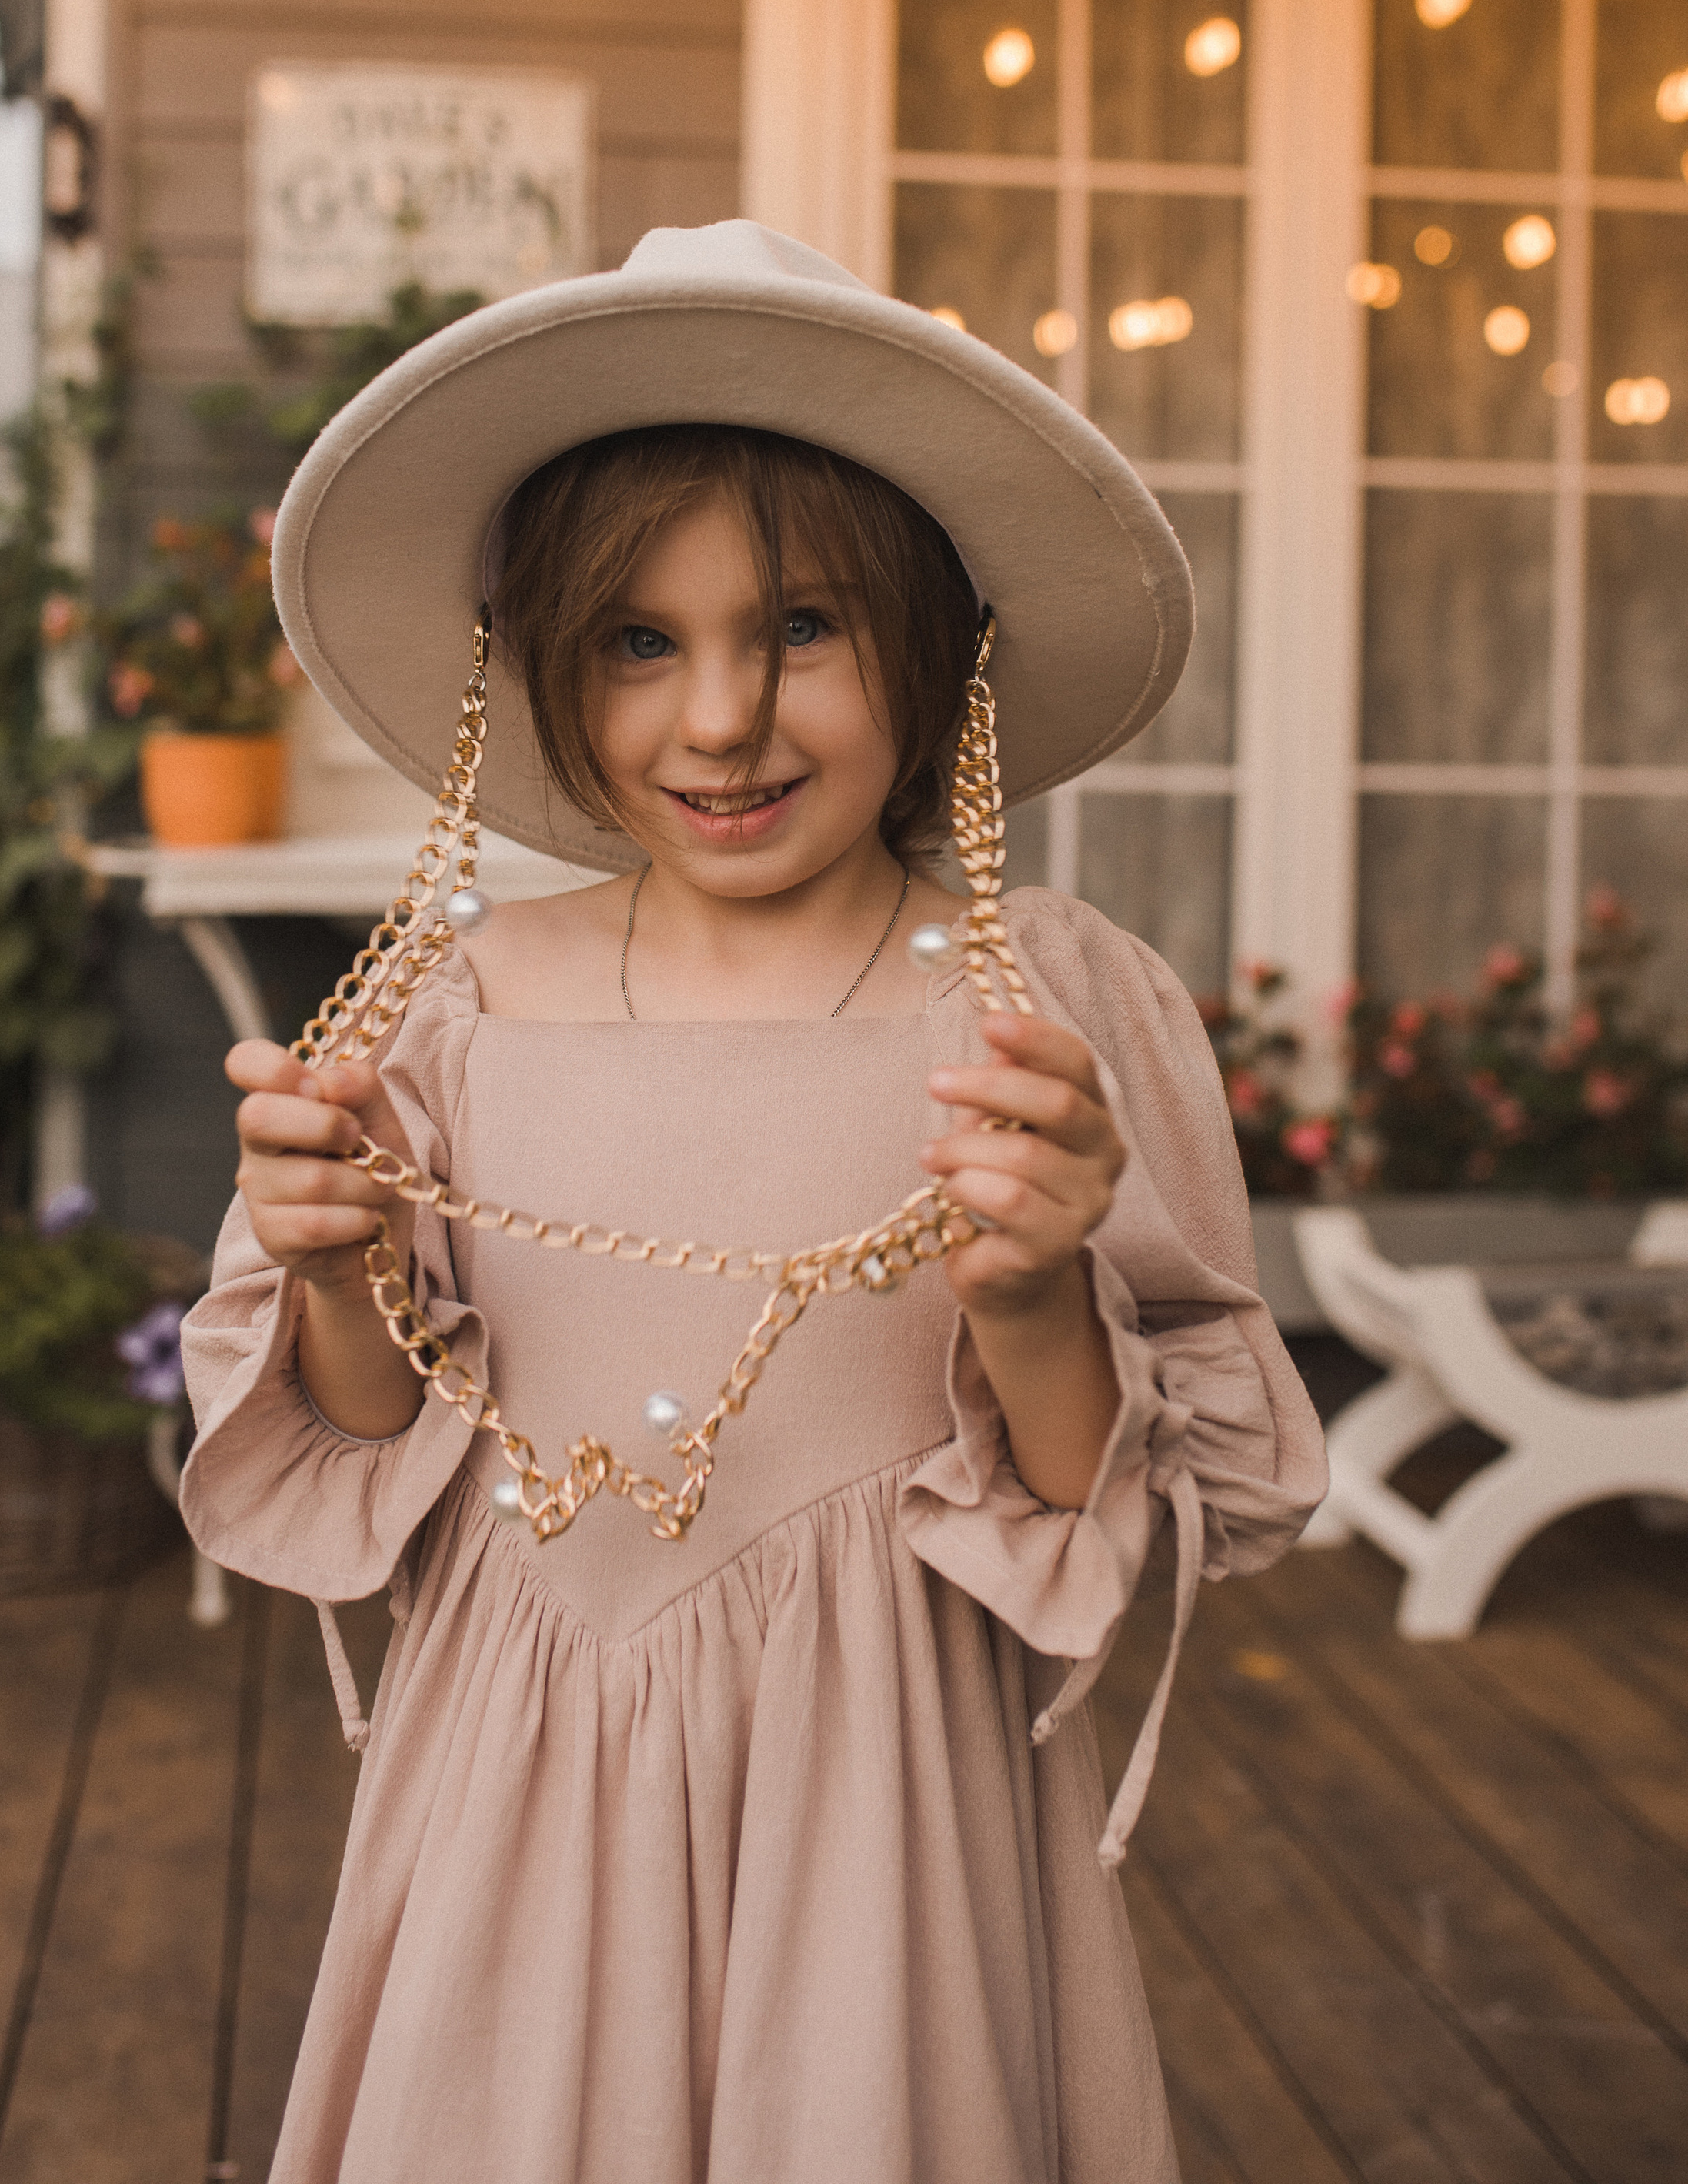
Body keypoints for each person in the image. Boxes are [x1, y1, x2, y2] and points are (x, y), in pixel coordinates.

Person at [181, 220, 1326, 2184]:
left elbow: (1108, 1513)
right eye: (639, 642)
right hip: (519, 1788)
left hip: (885, 1805)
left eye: (798, 628)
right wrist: (338, 1268)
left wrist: (1031, 1290)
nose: (717, 719)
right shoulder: (451, 1009)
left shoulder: (1033, 1005)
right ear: (541, 671)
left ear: (938, 648)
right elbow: (368, 1448)